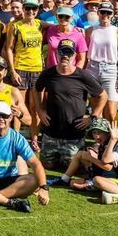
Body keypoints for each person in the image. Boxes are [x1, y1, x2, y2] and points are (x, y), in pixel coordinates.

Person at [34, 40, 106, 169]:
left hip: (74, 134)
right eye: (62, 52)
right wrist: (40, 110)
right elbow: (37, 89)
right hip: (51, 133)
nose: (65, 56)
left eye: (69, 53)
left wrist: (92, 117)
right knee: (47, 166)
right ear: (57, 53)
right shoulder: (48, 74)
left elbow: (103, 96)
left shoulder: (83, 76)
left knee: (74, 167)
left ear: (74, 56)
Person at [3, 0, 44, 142]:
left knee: (35, 107)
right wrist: (12, 71)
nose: (30, 11)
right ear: (23, 9)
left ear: (37, 10)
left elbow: (57, 27)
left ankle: (34, 139)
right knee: (18, 106)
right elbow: (8, 48)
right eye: (28, 8)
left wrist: (76, 28)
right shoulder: (16, 26)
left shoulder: (40, 24)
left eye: (33, 9)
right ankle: (14, 137)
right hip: (20, 68)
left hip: (37, 70)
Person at [47, 117, 116, 191]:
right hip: (99, 174)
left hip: (109, 179)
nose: (96, 136)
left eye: (100, 133)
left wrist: (90, 158)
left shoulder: (111, 145)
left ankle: (95, 185)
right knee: (80, 154)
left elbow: (108, 168)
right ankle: (64, 179)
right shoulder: (102, 144)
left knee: (75, 185)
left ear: (108, 133)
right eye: (94, 133)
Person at [86, 2, 118, 121]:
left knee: (111, 111)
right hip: (92, 68)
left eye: (108, 13)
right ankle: (98, 137)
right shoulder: (90, 30)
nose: (105, 15)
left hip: (110, 69)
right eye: (102, 12)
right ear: (98, 13)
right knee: (96, 108)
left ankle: (111, 137)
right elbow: (84, 52)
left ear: (112, 14)